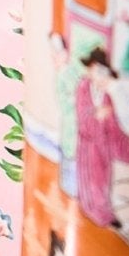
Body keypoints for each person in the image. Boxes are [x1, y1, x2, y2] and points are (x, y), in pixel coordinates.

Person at [75, 47, 129, 228]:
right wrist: (95, 114)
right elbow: (82, 114)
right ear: (90, 70)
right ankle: (93, 211)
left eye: (105, 73)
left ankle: (104, 212)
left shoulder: (107, 97)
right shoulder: (83, 88)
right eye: (97, 71)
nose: (102, 77)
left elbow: (114, 126)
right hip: (88, 145)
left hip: (103, 145)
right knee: (89, 179)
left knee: (103, 179)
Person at [50, 30, 79, 198]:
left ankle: (74, 185)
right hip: (69, 118)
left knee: (74, 149)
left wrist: (74, 99)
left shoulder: (70, 72)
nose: (54, 57)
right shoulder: (60, 75)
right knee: (68, 148)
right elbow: (63, 99)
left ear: (65, 54)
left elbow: (78, 91)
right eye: (53, 54)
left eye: (58, 54)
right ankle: (68, 184)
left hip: (76, 118)